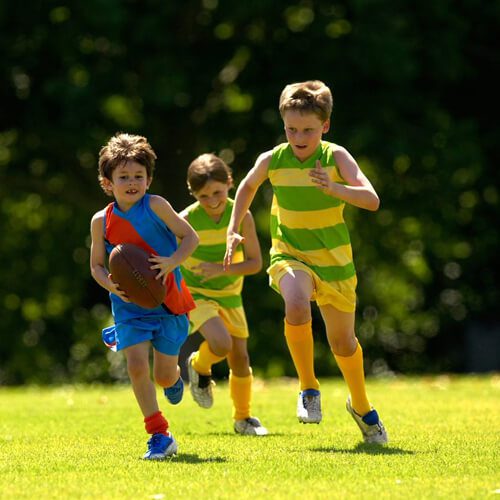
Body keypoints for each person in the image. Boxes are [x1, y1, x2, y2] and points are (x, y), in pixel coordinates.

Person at [224, 81, 388, 444]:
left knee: (343, 344)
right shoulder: (273, 159)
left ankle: (360, 405)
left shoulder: (335, 157)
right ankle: (308, 388)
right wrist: (233, 229)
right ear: (283, 124)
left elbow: (372, 199)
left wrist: (336, 189)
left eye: (308, 130)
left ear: (325, 126)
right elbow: (247, 187)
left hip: (335, 264)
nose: (299, 136)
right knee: (296, 302)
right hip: (290, 253)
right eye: (291, 129)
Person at [90, 133, 199, 459]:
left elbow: (190, 238)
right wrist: (111, 285)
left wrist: (172, 262)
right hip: (129, 308)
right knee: (137, 366)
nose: (132, 182)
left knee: (162, 375)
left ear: (148, 179)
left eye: (139, 176)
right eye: (123, 177)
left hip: (169, 303)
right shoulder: (102, 221)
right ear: (108, 182)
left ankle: (175, 378)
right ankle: (159, 434)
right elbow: (96, 266)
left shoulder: (157, 206)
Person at [180, 153, 268, 436]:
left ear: (230, 183)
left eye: (217, 192)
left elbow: (255, 263)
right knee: (221, 343)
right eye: (204, 196)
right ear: (193, 194)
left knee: (240, 358)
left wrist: (221, 269)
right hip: (196, 294)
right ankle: (198, 365)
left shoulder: (241, 215)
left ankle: (243, 418)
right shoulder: (184, 221)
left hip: (230, 294)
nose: (213, 201)